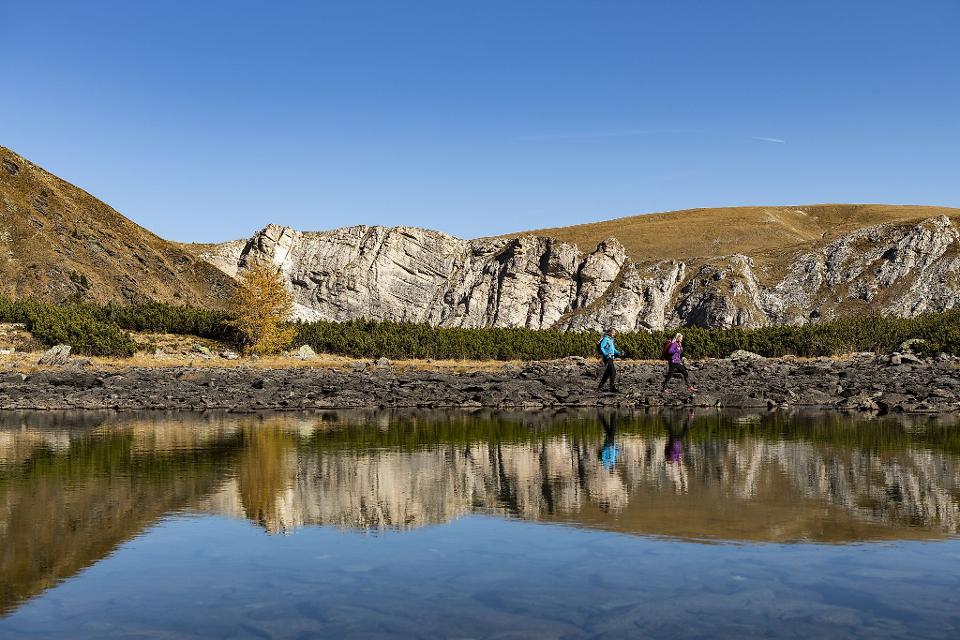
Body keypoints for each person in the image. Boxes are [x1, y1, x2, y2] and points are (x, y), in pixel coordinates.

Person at [596, 328, 623, 393]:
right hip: (607, 358)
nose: (614, 334)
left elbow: (613, 350)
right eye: (613, 333)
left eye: (614, 333)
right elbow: (602, 348)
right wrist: (606, 354)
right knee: (613, 371)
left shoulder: (611, 340)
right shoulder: (605, 339)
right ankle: (612, 387)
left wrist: (619, 353)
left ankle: (600, 387)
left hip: (611, 358)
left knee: (607, 373)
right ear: (609, 332)